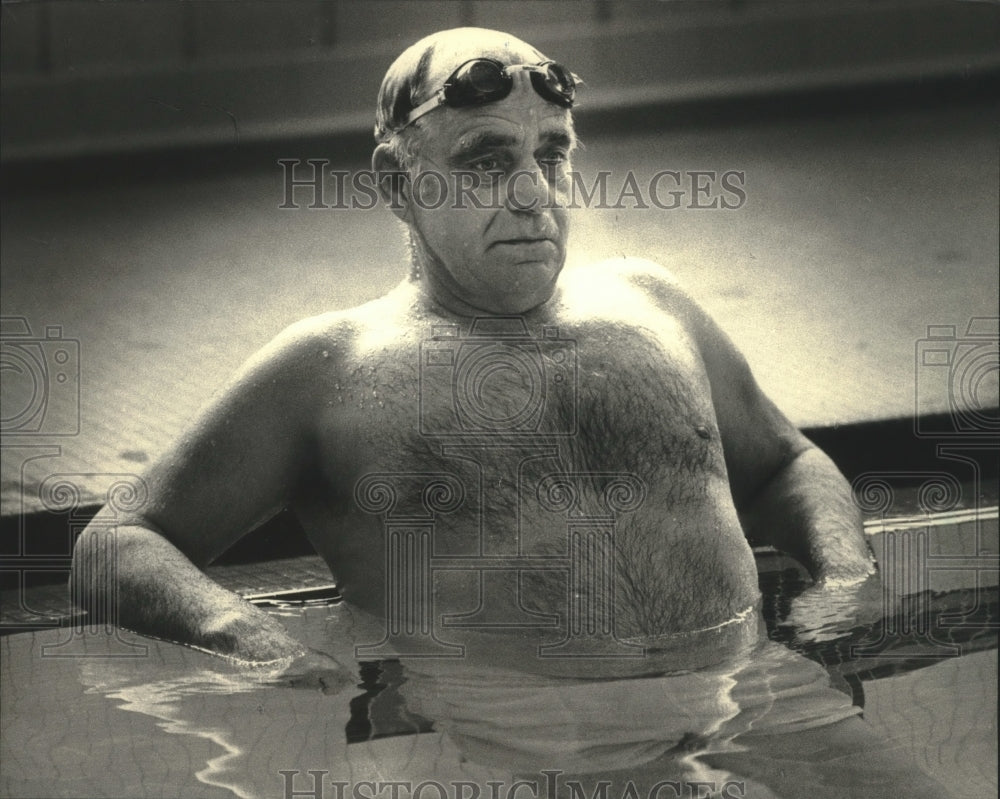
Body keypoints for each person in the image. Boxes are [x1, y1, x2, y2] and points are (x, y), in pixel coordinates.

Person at [70, 28, 950, 795]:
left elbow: (783, 464)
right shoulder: (329, 368)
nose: (533, 192)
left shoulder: (655, 305)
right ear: (399, 182)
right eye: (486, 161)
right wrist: (256, 641)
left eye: (552, 152)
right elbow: (116, 543)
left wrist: (845, 577)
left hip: (752, 684)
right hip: (500, 733)